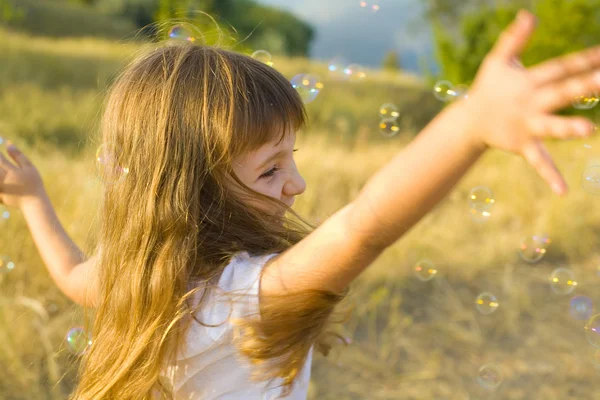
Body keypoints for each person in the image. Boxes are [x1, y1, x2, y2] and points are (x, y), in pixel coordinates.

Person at [0, 9, 599, 400]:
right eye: (270, 168)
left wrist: (33, 199)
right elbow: (363, 227)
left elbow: (72, 273)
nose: (298, 185)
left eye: (292, 157)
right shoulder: (240, 294)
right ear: (193, 191)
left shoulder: (138, 275)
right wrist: (469, 124)